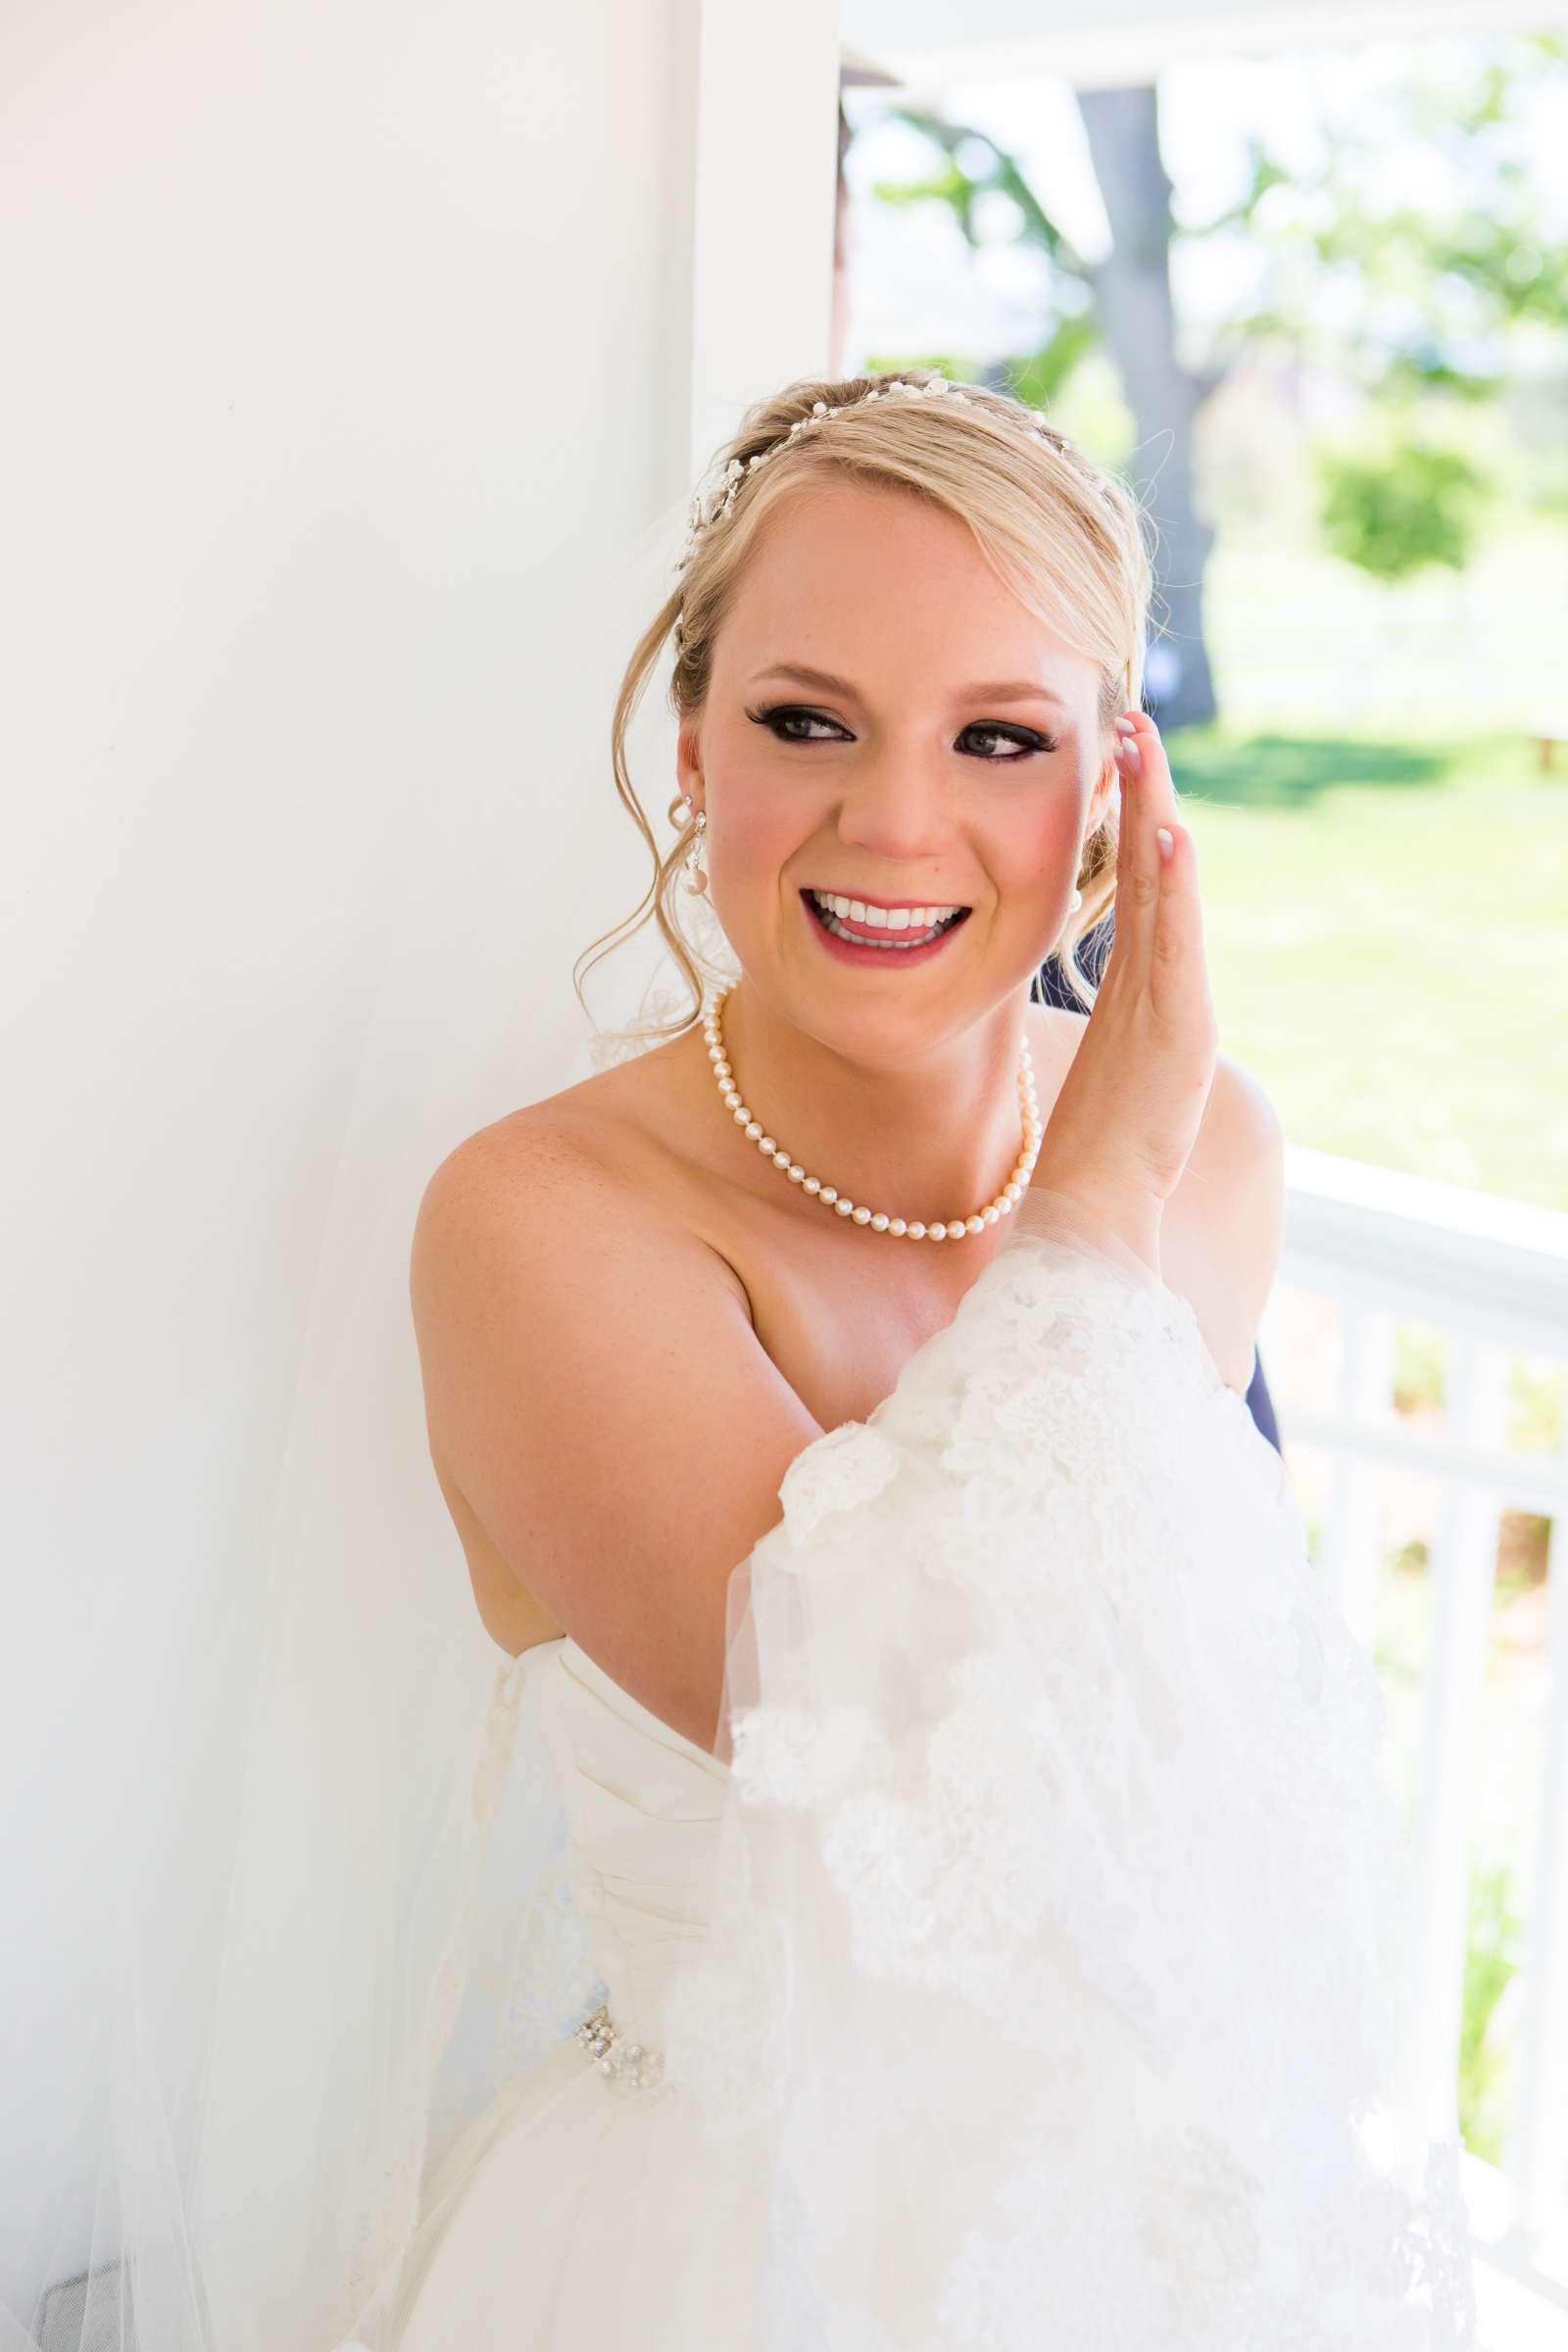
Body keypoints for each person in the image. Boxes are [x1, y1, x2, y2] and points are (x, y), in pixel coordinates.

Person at [15, 371, 1473, 2350]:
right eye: (806, 721)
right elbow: (905, 1772)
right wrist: (1083, 1225)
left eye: (998, 737)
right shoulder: (541, 1224)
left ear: (1111, 788)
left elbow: (1196, 1753)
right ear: (692, 745)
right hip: (714, 2257)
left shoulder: (1209, 1148)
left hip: (1156, 2232)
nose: (892, 819)